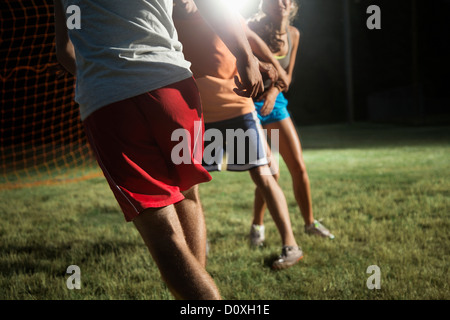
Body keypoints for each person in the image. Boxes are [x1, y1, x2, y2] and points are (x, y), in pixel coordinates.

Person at [53, 0, 264, 300]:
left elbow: (65, 50)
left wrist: (100, 72)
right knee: (188, 193)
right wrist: (244, 55)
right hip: (172, 87)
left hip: (111, 102)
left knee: (162, 232)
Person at [173, 0, 303, 270]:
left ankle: (290, 245)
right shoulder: (166, 22)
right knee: (186, 187)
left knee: (265, 175)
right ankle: (197, 246)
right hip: (194, 115)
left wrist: (271, 88)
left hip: (236, 111)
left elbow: (280, 73)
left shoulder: (224, 17)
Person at [247, 0, 335, 245]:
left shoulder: (294, 34)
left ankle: (310, 223)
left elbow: (288, 77)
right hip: (249, 105)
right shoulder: (249, 27)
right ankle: (257, 227)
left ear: (293, 4)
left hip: (275, 104)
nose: (281, 3)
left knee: (298, 167)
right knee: (270, 173)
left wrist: (274, 93)